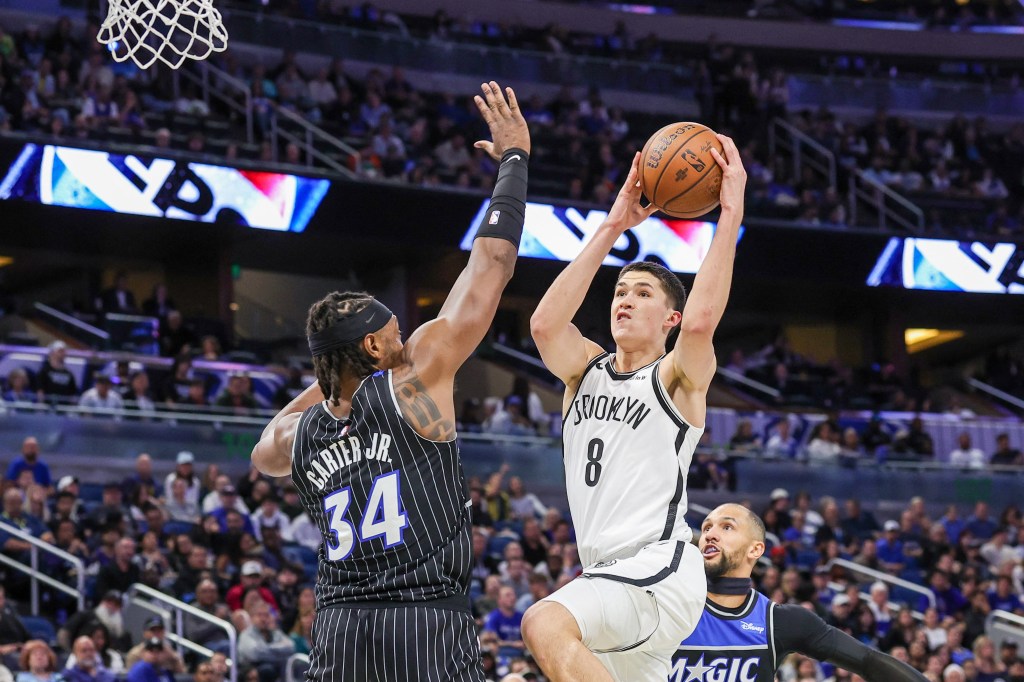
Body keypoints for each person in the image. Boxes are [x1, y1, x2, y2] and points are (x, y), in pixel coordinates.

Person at [250, 82, 529, 682]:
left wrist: (331, 373)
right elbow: (492, 267)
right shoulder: (411, 378)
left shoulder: (298, 434)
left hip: (340, 628)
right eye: (395, 331)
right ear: (374, 346)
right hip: (423, 619)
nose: (408, 337)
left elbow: (263, 447)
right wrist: (514, 162)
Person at [522, 136, 746, 682]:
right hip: (609, 576)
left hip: (658, 568)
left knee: (544, 624)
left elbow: (700, 324)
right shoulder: (585, 370)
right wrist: (612, 226)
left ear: (668, 320)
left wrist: (732, 209)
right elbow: (545, 325)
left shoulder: (675, 378)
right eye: (622, 290)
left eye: (644, 294)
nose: (625, 299)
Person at [672, 503, 929, 681]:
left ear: (756, 550)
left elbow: (867, 661)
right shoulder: (668, 605)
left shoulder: (778, 621)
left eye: (726, 527)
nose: (710, 535)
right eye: (706, 528)